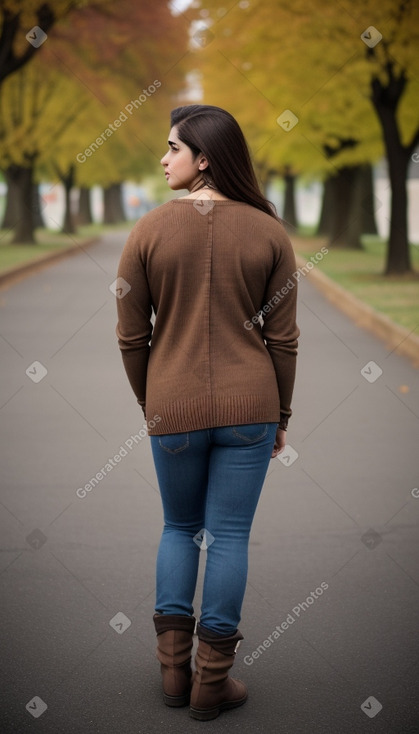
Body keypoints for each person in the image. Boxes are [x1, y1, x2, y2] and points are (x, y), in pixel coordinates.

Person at [115, 104, 299, 721]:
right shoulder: (271, 232)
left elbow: (130, 336)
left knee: (177, 528)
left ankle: (173, 673)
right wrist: (282, 416)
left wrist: (153, 402)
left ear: (205, 158)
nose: (163, 158)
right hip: (252, 407)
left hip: (174, 408)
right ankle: (211, 683)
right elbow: (284, 340)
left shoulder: (146, 233)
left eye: (173, 148)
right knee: (229, 536)